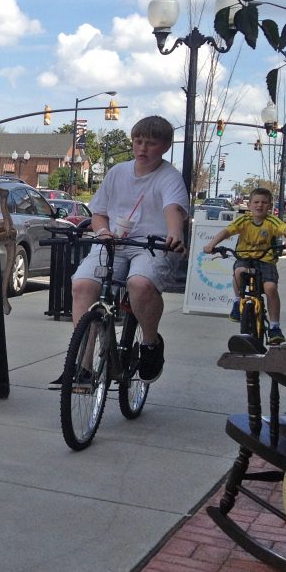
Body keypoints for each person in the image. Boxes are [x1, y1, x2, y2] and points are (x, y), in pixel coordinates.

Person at [63, 116, 188, 384]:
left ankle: (150, 344)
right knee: (82, 286)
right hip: (113, 242)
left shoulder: (169, 177)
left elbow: (173, 209)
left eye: (151, 143)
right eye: (138, 141)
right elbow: (99, 213)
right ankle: (82, 364)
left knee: (140, 284)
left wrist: (175, 234)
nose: (142, 148)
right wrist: (103, 231)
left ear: (165, 146)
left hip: (150, 246)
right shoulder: (117, 172)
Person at [203, 187, 286, 345]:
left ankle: (275, 327)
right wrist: (211, 244)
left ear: (270, 206)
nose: (259, 205)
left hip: (265, 260)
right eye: (256, 202)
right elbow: (226, 231)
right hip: (245, 257)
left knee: (270, 288)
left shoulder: (271, 221)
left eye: (264, 202)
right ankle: (236, 302)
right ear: (249, 205)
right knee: (239, 270)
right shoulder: (244, 220)